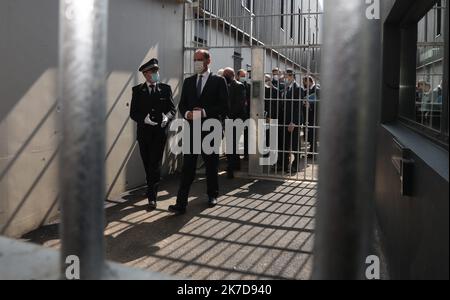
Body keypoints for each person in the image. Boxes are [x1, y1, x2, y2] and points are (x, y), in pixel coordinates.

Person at [169, 49, 229, 215]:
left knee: (211, 165)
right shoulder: (189, 82)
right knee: (188, 167)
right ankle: (181, 203)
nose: (196, 62)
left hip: (211, 129)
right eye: (194, 59)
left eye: (199, 59)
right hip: (192, 130)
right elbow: (182, 104)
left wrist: (204, 112)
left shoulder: (219, 81)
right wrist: (187, 113)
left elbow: (224, 106)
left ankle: (212, 195)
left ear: (208, 61)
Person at [130, 58, 176, 210]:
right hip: (144, 134)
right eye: (153, 71)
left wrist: (166, 117)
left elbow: (172, 109)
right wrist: (144, 119)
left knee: (154, 164)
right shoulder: (137, 90)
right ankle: (151, 186)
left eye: (157, 71)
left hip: (159, 133)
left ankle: (152, 196)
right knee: (147, 163)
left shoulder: (165, 88)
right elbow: (133, 113)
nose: (156, 73)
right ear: (145, 74)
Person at [224, 67, 246, 179]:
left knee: (232, 144)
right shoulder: (225, 85)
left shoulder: (239, 85)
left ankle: (231, 168)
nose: (223, 77)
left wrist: (229, 115)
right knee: (231, 143)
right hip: (228, 119)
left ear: (230, 75)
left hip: (236, 119)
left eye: (225, 75)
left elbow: (240, 104)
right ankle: (236, 164)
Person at [281, 69, 302, 174]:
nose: (283, 77)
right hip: (285, 119)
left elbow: (298, 107)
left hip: (292, 121)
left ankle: (295, 165)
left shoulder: (297, 88)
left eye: (285, 75)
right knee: (285, 143)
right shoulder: (286, 87)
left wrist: (294, 121)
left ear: (291, 76)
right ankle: (284, 164)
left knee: (294, 144)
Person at [302, 75, 320, 155]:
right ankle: (312, 151)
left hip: (315, 114)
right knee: (310, 133)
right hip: (308, 114)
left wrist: (310, 105)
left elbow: (320, 101)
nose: (304, 83)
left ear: (309, 81)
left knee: (313, 132)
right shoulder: (307, 89)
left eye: (305, 82)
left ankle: (313, 152)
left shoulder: (317, 89)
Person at [237, 69, 251, 161]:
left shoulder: (249, 86)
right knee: (236, 136)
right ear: (237, 76)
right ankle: (235, 157)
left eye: (244, 76)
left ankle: (246, 154)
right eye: (242, 76)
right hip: (237, 114)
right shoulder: (233, 85)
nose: (243, 77)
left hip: (246, 114)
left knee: (247, 135)